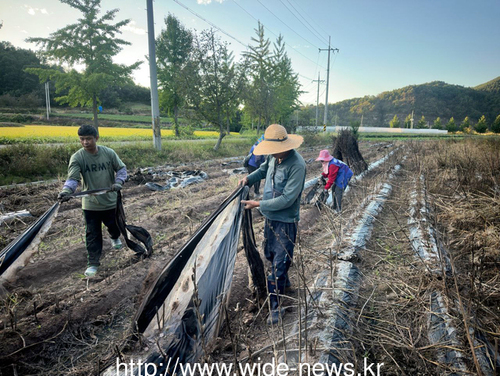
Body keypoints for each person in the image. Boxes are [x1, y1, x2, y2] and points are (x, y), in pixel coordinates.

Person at [239, 124, 306, 325]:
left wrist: (258, 203)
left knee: (279, 262)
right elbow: (262, 170)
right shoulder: (273, 157)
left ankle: (276, 307)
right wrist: (248, 179)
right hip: (270, 217)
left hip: (285, 221)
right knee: (269, 253)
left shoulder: (297, 165)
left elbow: (287, 199)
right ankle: (285, 283)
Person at [57, 125, 127, 277]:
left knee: (115, 226)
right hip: (90, 205)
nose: (85, 142)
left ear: (96, 138)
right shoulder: (77, 157)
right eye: (82, 139)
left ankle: (114, 237)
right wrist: (67, 191)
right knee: (92, 234)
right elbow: (73, 178)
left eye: (88, 139)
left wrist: (119, 182)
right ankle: (93, 263)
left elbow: (121, 169)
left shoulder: (108, 153)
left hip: (110, 201)